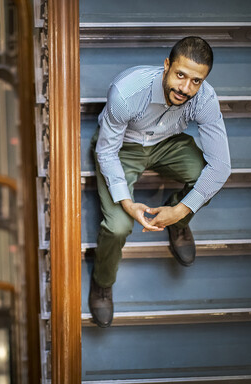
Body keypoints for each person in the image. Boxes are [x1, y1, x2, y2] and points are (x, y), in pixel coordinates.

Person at [89, 36, 231, 328]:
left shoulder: (204, 98)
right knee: (117, 227)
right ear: (166, 65)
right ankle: (102, 282)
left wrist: (180, 211)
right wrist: (127, 204)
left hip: (168, 143)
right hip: (123, 146)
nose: (185, 88)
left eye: (196, 81)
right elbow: (106, 150)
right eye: (180, 75)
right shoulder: (127, 91)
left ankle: (177, 225)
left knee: (206, 181)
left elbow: (221, 167)